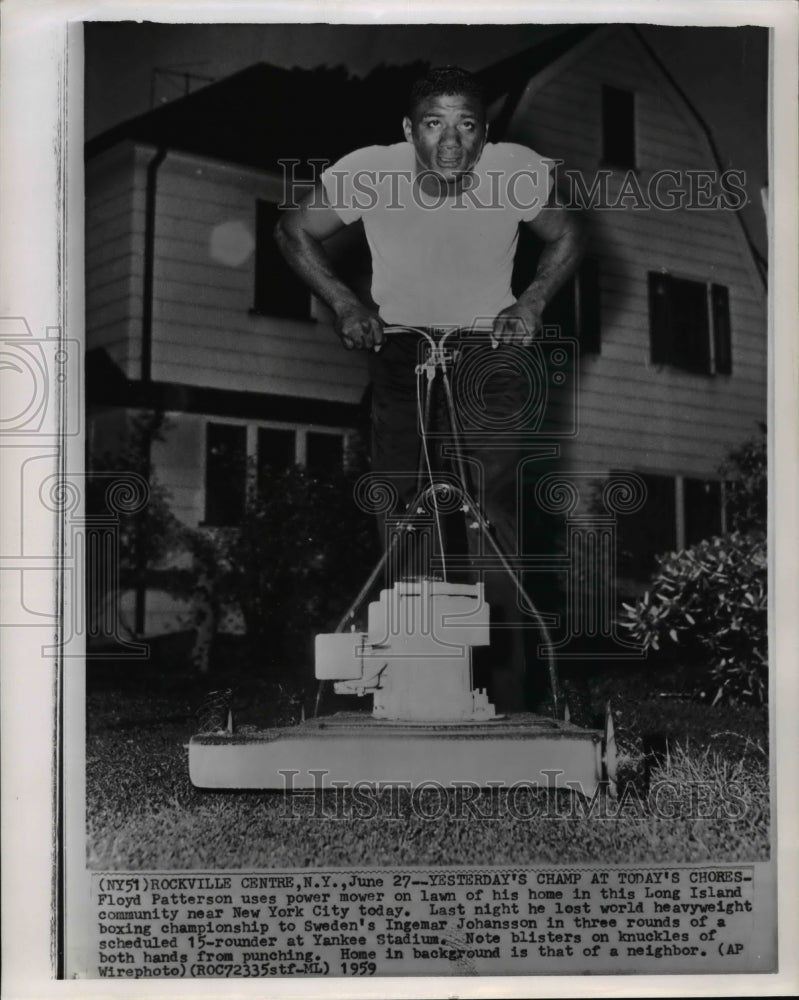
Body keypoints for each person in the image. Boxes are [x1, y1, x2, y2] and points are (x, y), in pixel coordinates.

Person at [275, 66, 585, 711]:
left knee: (488, 509)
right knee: (402, 504)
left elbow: (567, 236)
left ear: (485, 133)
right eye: (434, 125)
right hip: (400, 350)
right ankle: (414, 689)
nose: (451, 143)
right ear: (408, 131)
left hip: (489, 351)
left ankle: (505, 697)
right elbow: (293, 228)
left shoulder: (516, 171)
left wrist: (529, 303)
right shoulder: (370, 170)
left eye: (467, 125)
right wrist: (344, 304)